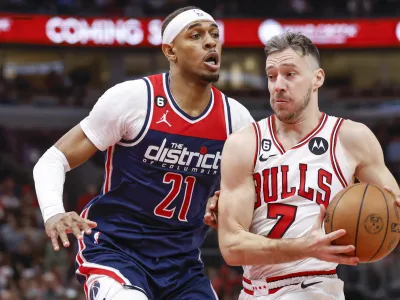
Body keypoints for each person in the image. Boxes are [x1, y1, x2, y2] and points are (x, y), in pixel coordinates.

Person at [33, 6, 254, 300]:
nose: (211, 42)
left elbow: (255, 193)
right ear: (170, 51)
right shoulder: (134, 99)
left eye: (215, 35)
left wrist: (225, 204)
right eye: (197, 35)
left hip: (183, 265)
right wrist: (53, 213)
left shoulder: (236, 119)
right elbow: (53, 160)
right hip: (116, 250)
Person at [217, 31, 400, 300]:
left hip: (315, 288)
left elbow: (391, 212)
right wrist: (305, 247)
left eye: (290, 74)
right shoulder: (243, 144)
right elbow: (232, 247)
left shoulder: (351, 138)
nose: (278, 85)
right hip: (253, 291)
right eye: (271, 76)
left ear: (318, 79)